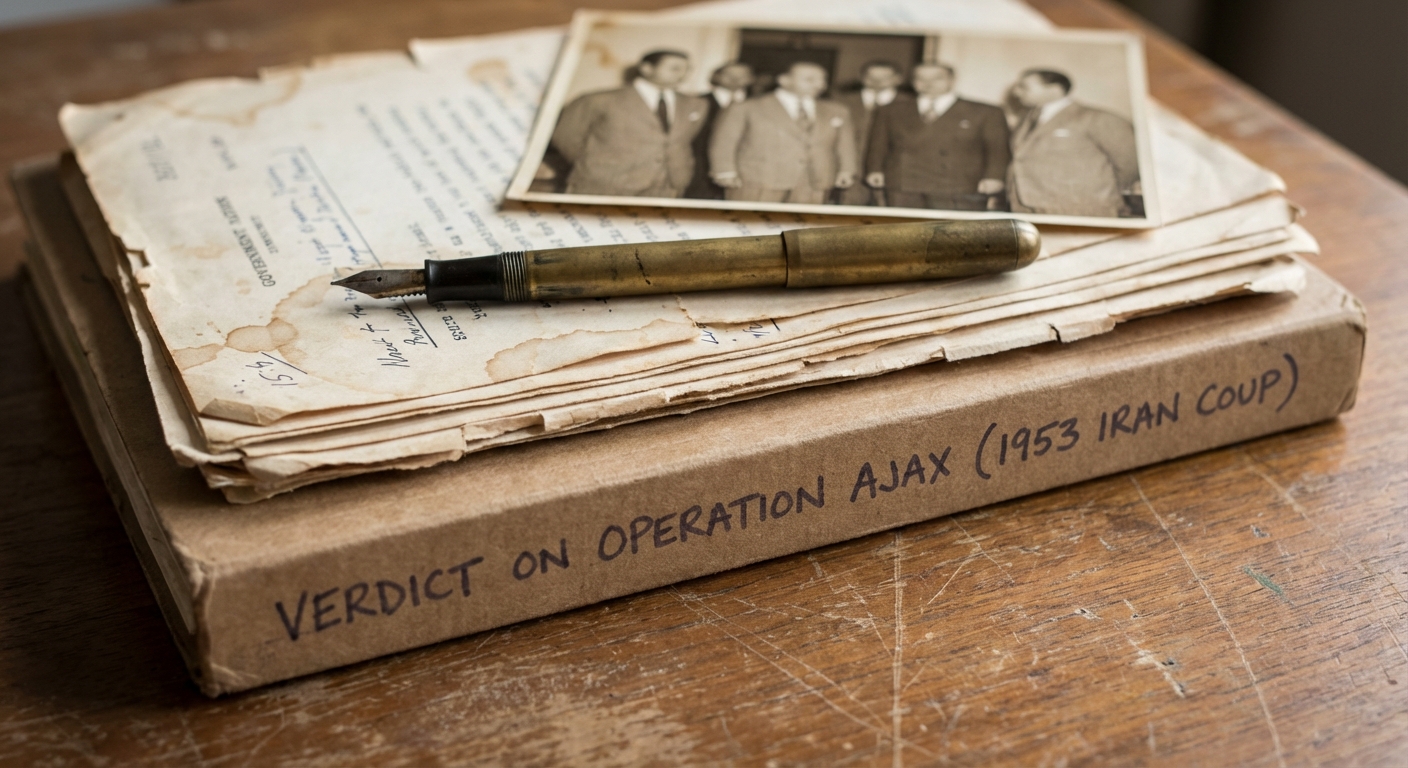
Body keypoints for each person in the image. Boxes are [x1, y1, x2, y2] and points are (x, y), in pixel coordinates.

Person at [550, 50, 709, 198]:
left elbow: (680, 142)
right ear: (647, 68)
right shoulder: (597, 100)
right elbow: (565, 138)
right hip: (605, 184)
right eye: (675, 68)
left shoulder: (696, 104)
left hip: (667, 186)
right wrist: (597, 164)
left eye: (687, 69)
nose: (683, 74)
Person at [864, 63, 1011, 211]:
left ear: (952, 80)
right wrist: (874, 169)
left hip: (960, 185)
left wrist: (994, 177)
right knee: (904, 231)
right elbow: (878, 144)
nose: (928, 83)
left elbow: (998, 149)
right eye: (920, 78)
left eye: (937, 78)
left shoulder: (986, 112)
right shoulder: (891, 110)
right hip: (903, 183)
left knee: (955, 232)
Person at [708, 61, 857, 204]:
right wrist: (724, 170)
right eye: (810, 79)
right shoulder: (746, 107)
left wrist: (847, 170)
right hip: (759, 180)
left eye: (823, 79)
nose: (820, 85)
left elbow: (845, 144)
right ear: (784, 80)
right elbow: (725, 141)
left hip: (815, 182)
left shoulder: (837, 110)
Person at [1007, 68, 1139, 217]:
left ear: (1054, 90)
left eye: (1024, 87)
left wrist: (1099, 193)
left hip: (1081, 208)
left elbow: (1130, 163)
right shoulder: (1026, 119)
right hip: (1026, 206)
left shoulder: (1098, 118)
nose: (1017, 92)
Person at [835, 60, 904, 206]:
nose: (877, 81)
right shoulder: (840, 102)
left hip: (893, 174)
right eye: (870, 76)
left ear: (898, 79)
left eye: (884, 76)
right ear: (861, 77)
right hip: (851, 175)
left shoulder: (910, 104)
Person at [685, 61, 755, 200]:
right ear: (716, 76)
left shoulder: (758, 106)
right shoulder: (694, 102)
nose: (735, 79)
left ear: (751, 79)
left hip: (742, 176)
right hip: (698, 173)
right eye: (729, 75)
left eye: (742, 75)